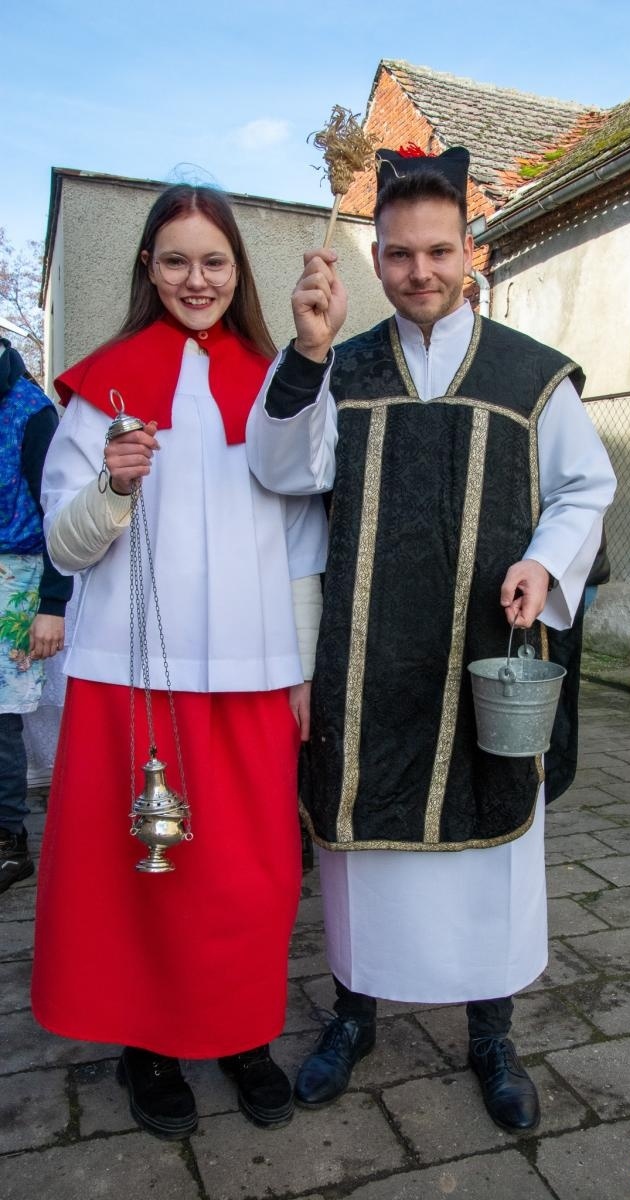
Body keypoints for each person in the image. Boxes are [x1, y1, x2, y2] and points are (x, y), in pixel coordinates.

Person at [247, 146, 616, 1132]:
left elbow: (586, 488)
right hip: (363, 661)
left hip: (482, 657)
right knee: (364, 857)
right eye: (400, 254)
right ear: (374, 257)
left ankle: (489, 1030)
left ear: (469, 250)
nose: (420, 271)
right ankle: (355, 1011)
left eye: (437, 251)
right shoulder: (343, 366)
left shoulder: (529, 377)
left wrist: (546, 561)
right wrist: (311, 348)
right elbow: (280, 471)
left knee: (483, 853)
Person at [31, 184, 327, 1140]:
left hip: (250, 676)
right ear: (147, 269)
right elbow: (65, 546)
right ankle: (148, 1046)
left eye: (213, 262)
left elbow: (303, 541)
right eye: (174, 261)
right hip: (132, 672)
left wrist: (304, 671)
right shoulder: (100, 391)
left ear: (237, 272)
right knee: (140, 878)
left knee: (249, 877)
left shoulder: (279, 380)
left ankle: (239, 1036)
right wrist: (112, 490)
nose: (194, 280)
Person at [0, 339, 72, 894]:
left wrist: (52, 603)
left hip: (16, 577)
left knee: (2, 716)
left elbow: (57, 511)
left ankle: (8, 841)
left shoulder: (30, 411)